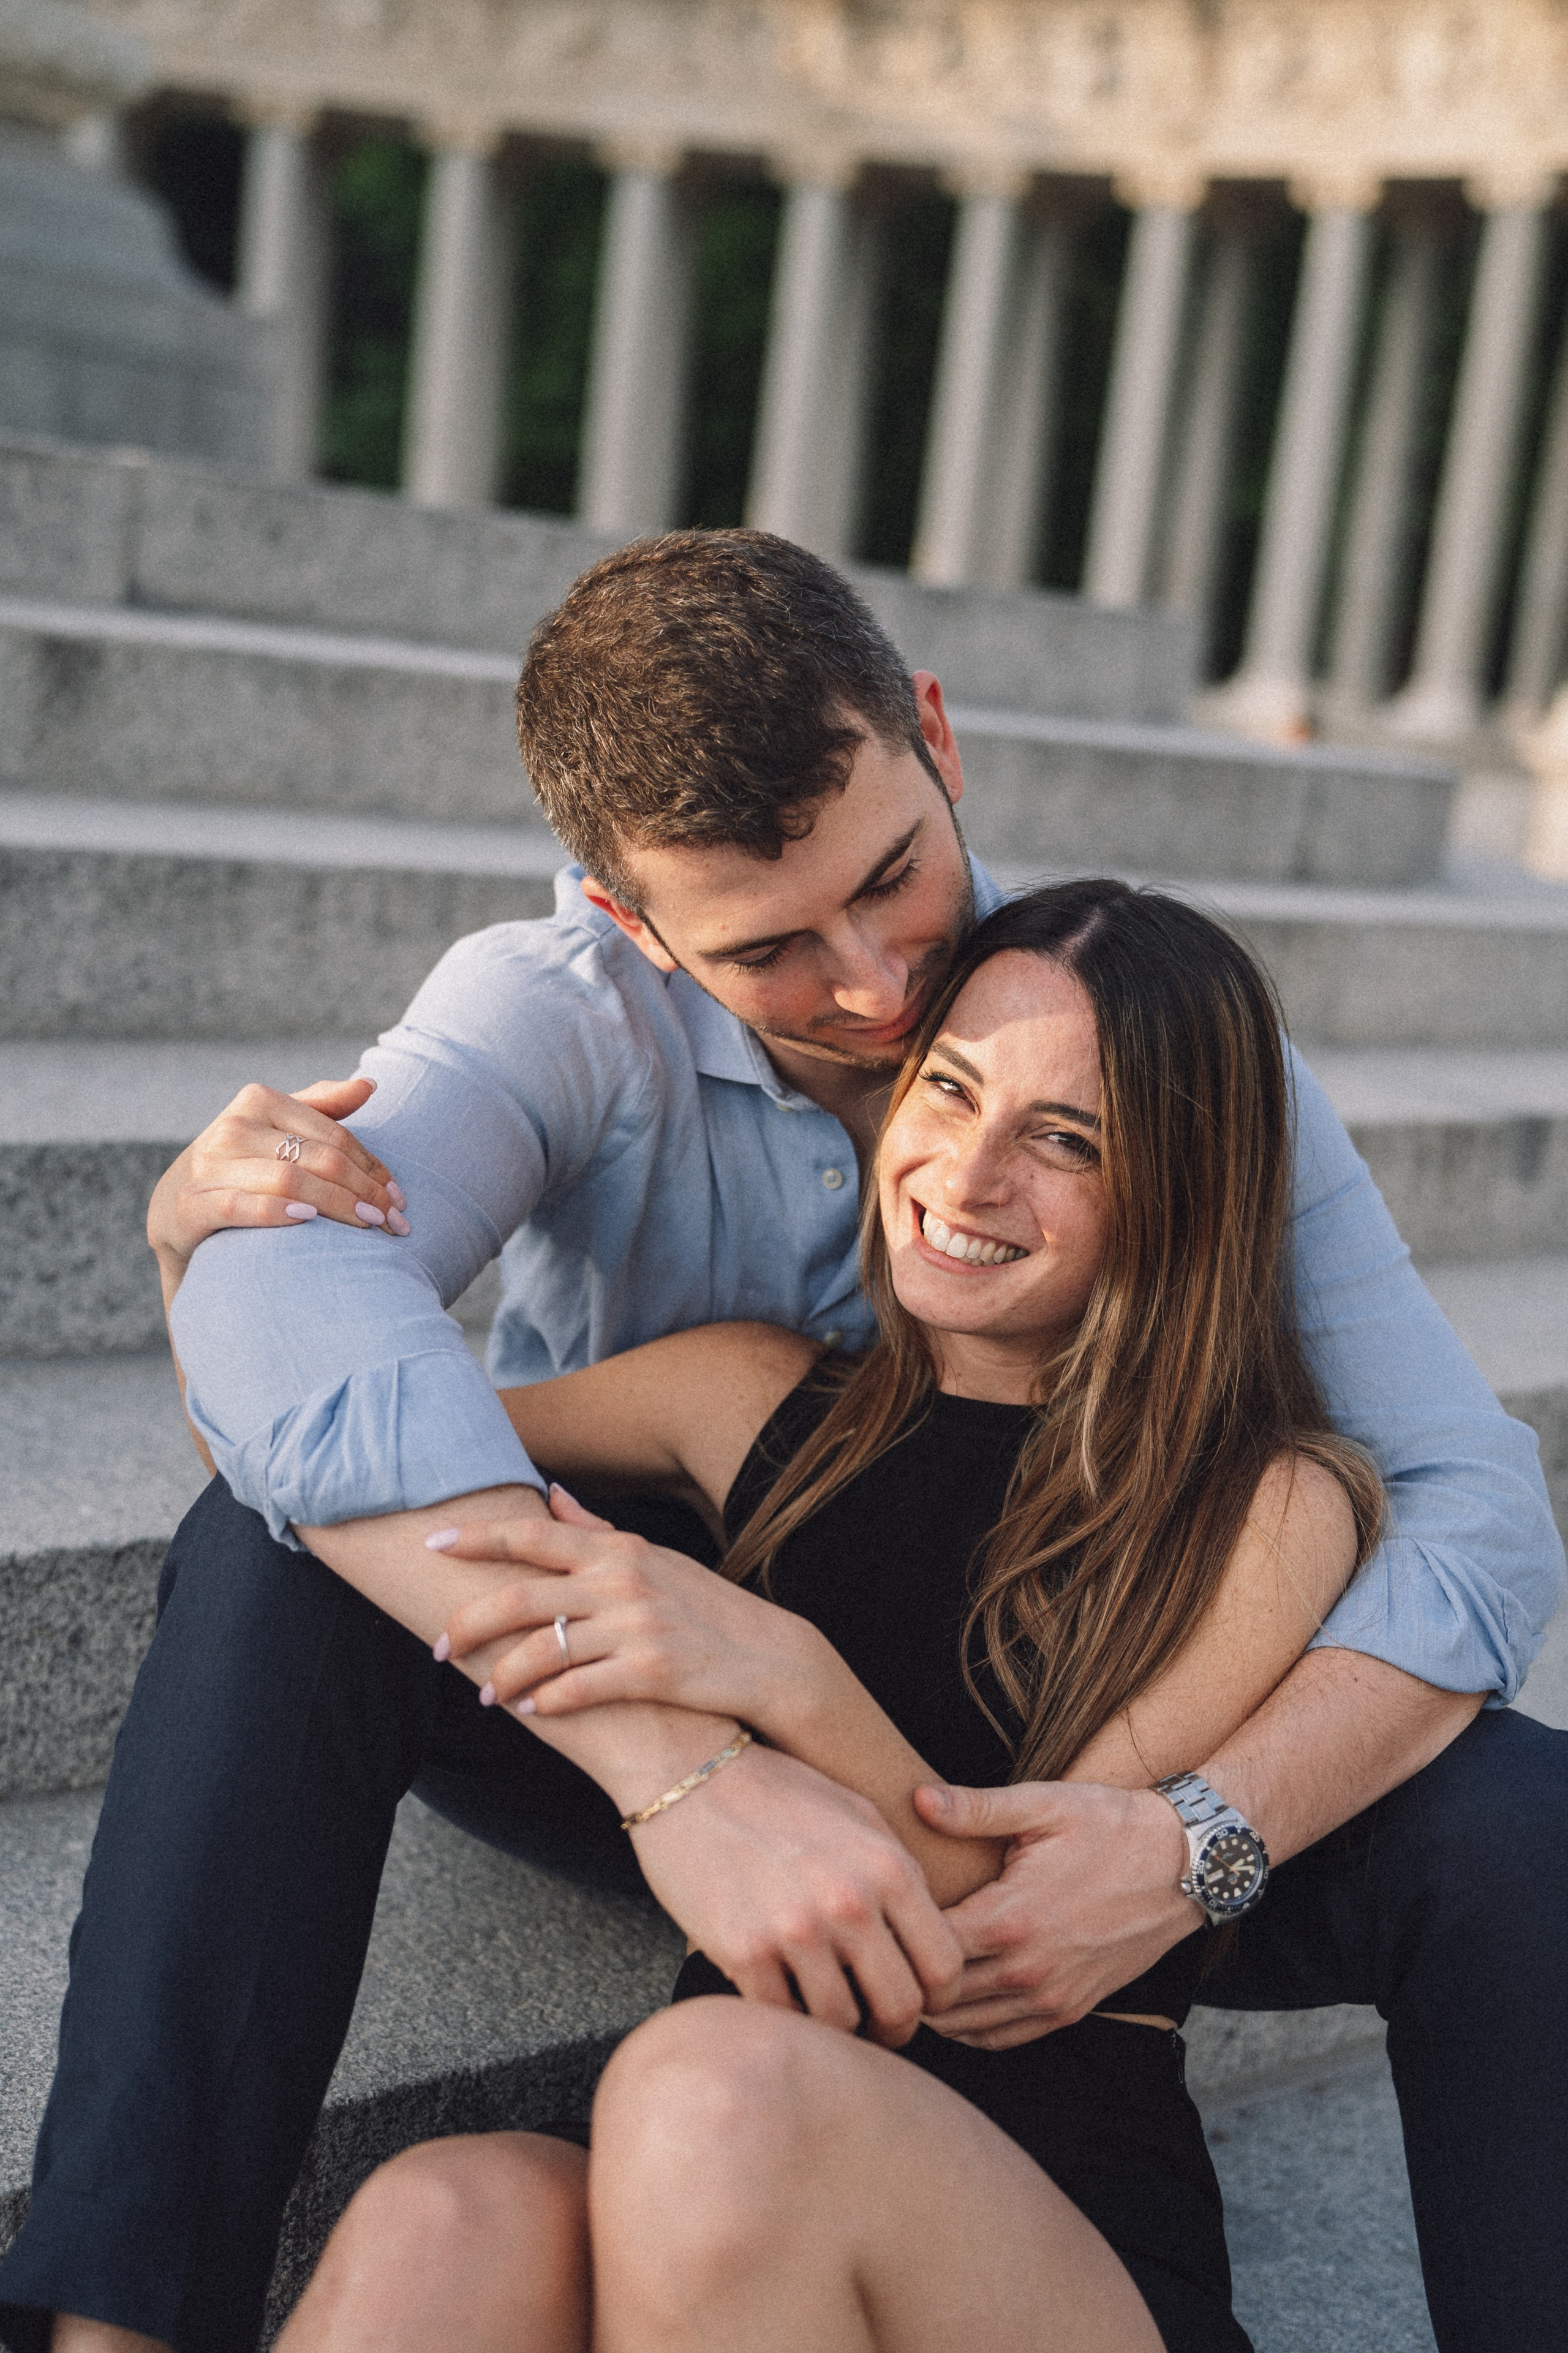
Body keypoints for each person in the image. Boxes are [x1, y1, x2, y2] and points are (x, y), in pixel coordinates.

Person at [1, 532, 1561, 2353]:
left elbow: (1472, 1516)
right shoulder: (560, 1025)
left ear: (937, 737)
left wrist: (1193, 1834)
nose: (883, 987)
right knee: (282, 1594)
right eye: (771, 947)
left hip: (1071, 1751)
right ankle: (108, 2324)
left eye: (893, 877)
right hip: (634, 1668)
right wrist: (220, 1257)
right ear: (628, 915)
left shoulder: (1125, 1035)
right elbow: (281, 1403)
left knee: (1520, 1818)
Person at [276, 878, 1385, 2353]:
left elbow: (1011, 1925)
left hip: (1048, 2210)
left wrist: (784, 1675)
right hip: (716, 2137)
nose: (968, 1175)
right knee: (444, 2213)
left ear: (1182, 1189)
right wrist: (208, 1255)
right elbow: (341, 1445)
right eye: (950, 1090)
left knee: (707, 2087)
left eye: (1063, 1141)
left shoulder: (1268, 1501)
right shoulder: (744, 1393)